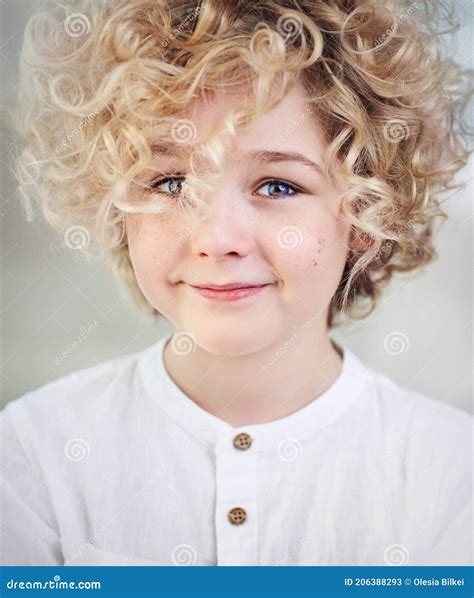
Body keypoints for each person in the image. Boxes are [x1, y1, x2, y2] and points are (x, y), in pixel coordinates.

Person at [1, 0, 471, 566]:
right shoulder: (32, 454)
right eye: (171, 182)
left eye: (276, 186)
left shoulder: (447, 472)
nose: (216, 237)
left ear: (367, 217)